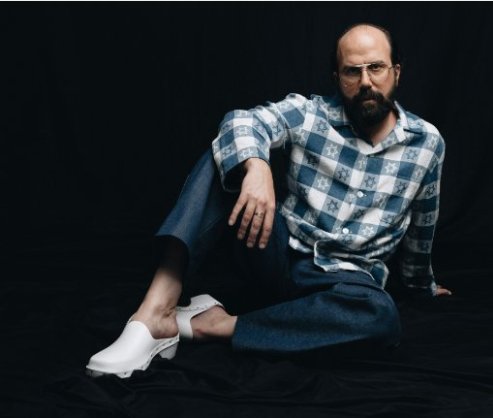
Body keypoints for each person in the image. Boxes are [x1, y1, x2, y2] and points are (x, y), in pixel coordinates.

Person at [86, 22, 452, 378]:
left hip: (344, 285)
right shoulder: (310, 114)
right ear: (337, 79)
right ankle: (155, 312)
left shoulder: (427, 143)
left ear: (397, 72)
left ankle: (218, 325)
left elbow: (422, 224)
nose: (366, 82)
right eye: (351, 72)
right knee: (225, 158)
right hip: (274, 255)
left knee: (380, 316)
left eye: (376, 68)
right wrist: (257, 166)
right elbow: (241, 122)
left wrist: (422, 286)